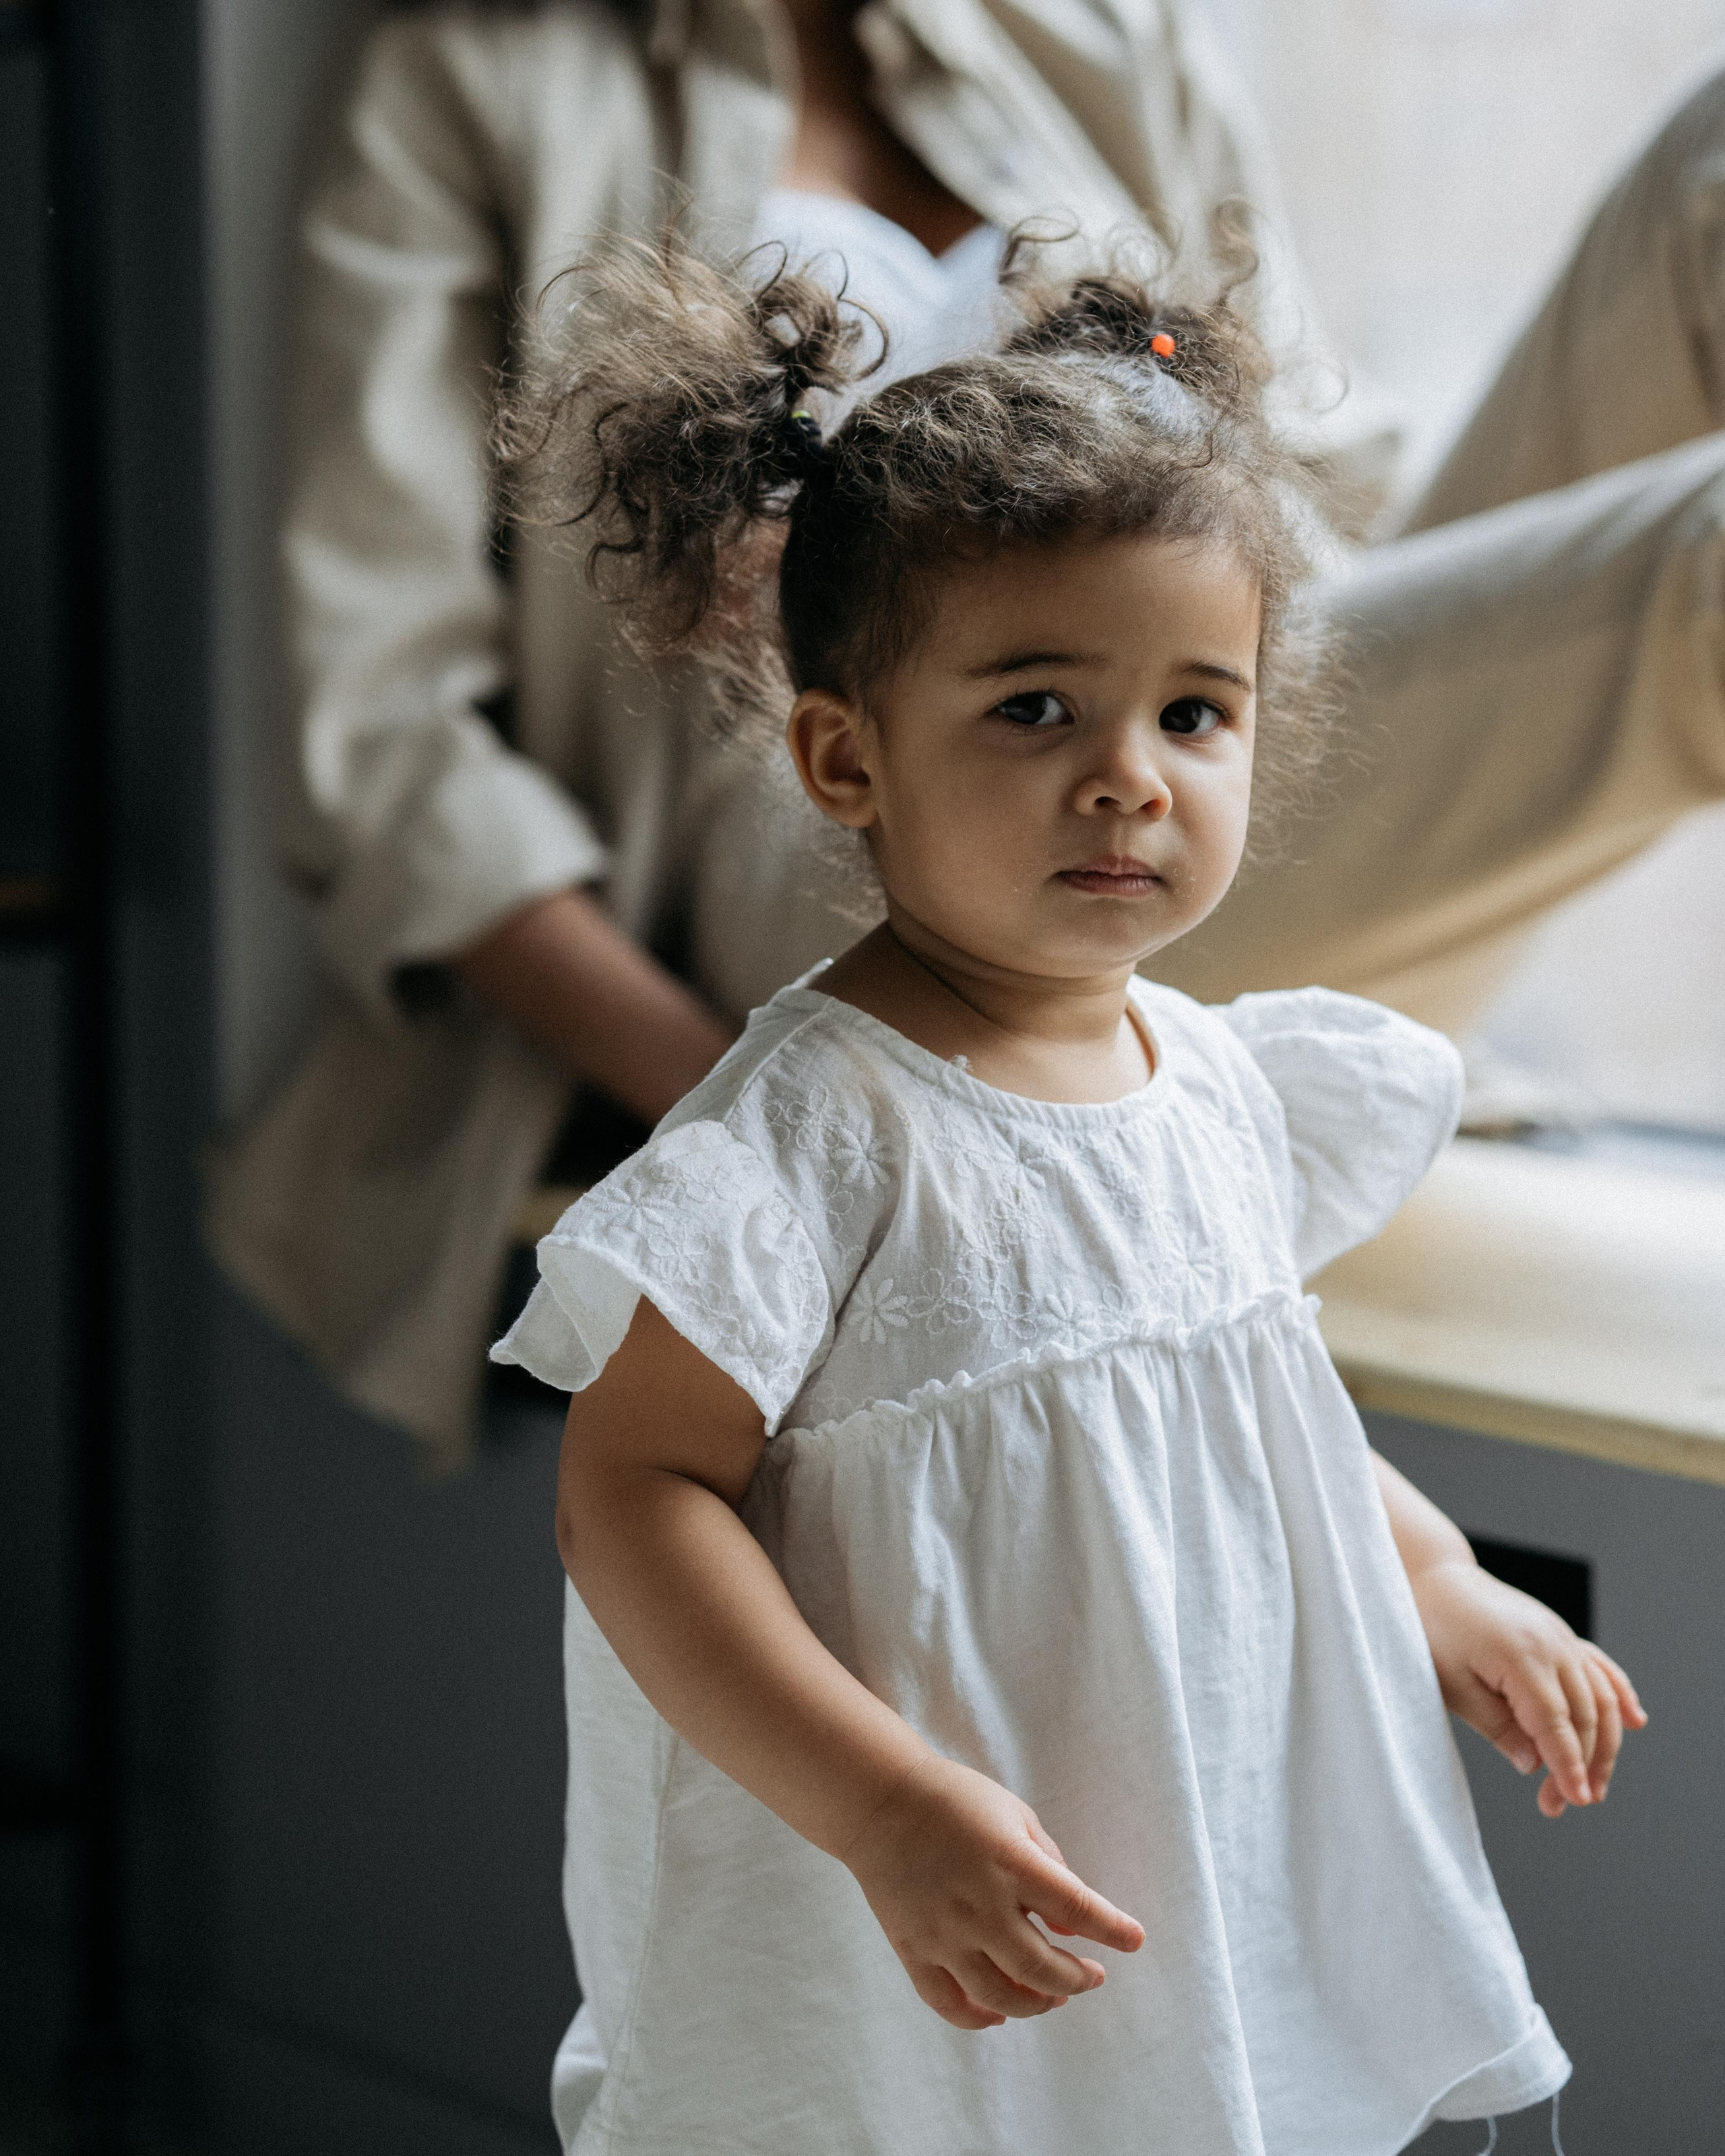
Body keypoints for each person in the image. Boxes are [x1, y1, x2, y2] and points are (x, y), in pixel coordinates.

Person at [206, 0, 1725, 1467]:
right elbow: (385, 744)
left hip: (1235, 708)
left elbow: (1316, 490)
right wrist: (775, 1124)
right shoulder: (469, 84)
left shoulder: (1094, 29)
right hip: (838, 845)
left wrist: (1479, 673)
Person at [489, 236, 1645, 2153]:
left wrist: (1432, 1580)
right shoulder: (817, 1135)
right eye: (1036, 710)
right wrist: (877, 1804)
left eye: (1195, 714)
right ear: (847, 757)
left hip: (1159, 1850)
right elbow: (635, 1498)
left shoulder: (1209, 1081)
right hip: (909, 1883)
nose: (1129, 778)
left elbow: (1240, 1408)